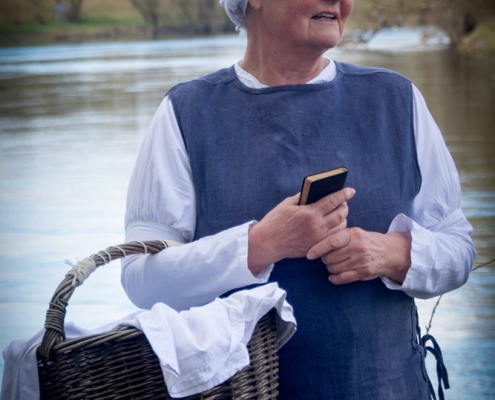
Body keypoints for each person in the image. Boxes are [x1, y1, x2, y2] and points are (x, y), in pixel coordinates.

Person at [121, 0, 476, 398]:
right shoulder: (184, 114)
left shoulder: (397, 98)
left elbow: (458, 248)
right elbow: (140, 278)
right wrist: (259, 245)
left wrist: (392, 252)